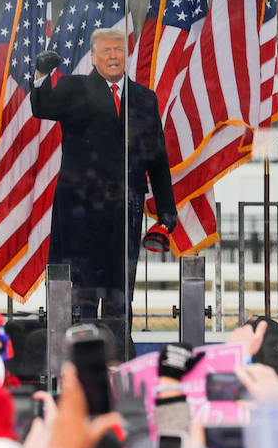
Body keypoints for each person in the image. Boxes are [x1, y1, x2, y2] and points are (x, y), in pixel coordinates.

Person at [30, 28, 177, 336]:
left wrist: (166, 210)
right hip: (80, 207)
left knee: (119, 289)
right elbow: (42, 108)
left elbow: (157, 156)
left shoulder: (144, 98)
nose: (113, 56)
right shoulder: (74, 88)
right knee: (82, 289)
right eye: (106, 51)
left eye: (118, 50)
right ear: (94, 58)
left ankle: (118, 352)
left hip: (125, 206)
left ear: (126, 55)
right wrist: (43, 74)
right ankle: (80, 351)